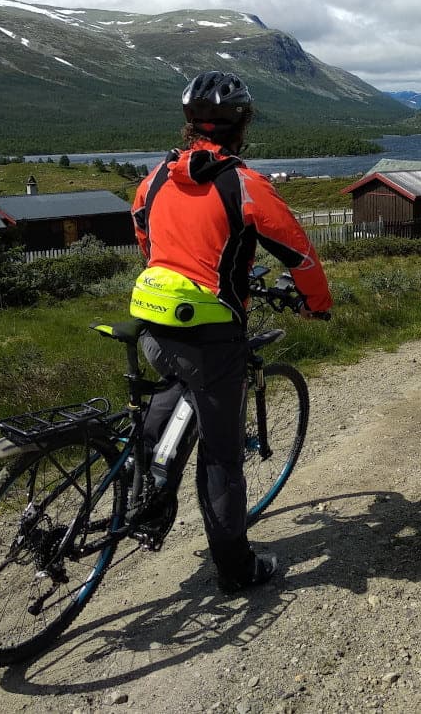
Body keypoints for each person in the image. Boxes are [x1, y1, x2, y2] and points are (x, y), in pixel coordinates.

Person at [129, 70, 333, 592]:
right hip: (211, 334)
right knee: (221, 457)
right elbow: (298, 252)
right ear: (241, 125)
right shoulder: (243, 184)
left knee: (172, 388)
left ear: (189, 125)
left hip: (152, 317)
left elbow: (144, 234)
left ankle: (147, 496)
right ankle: (237, 570)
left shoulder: (153, 180)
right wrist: (316, 303)